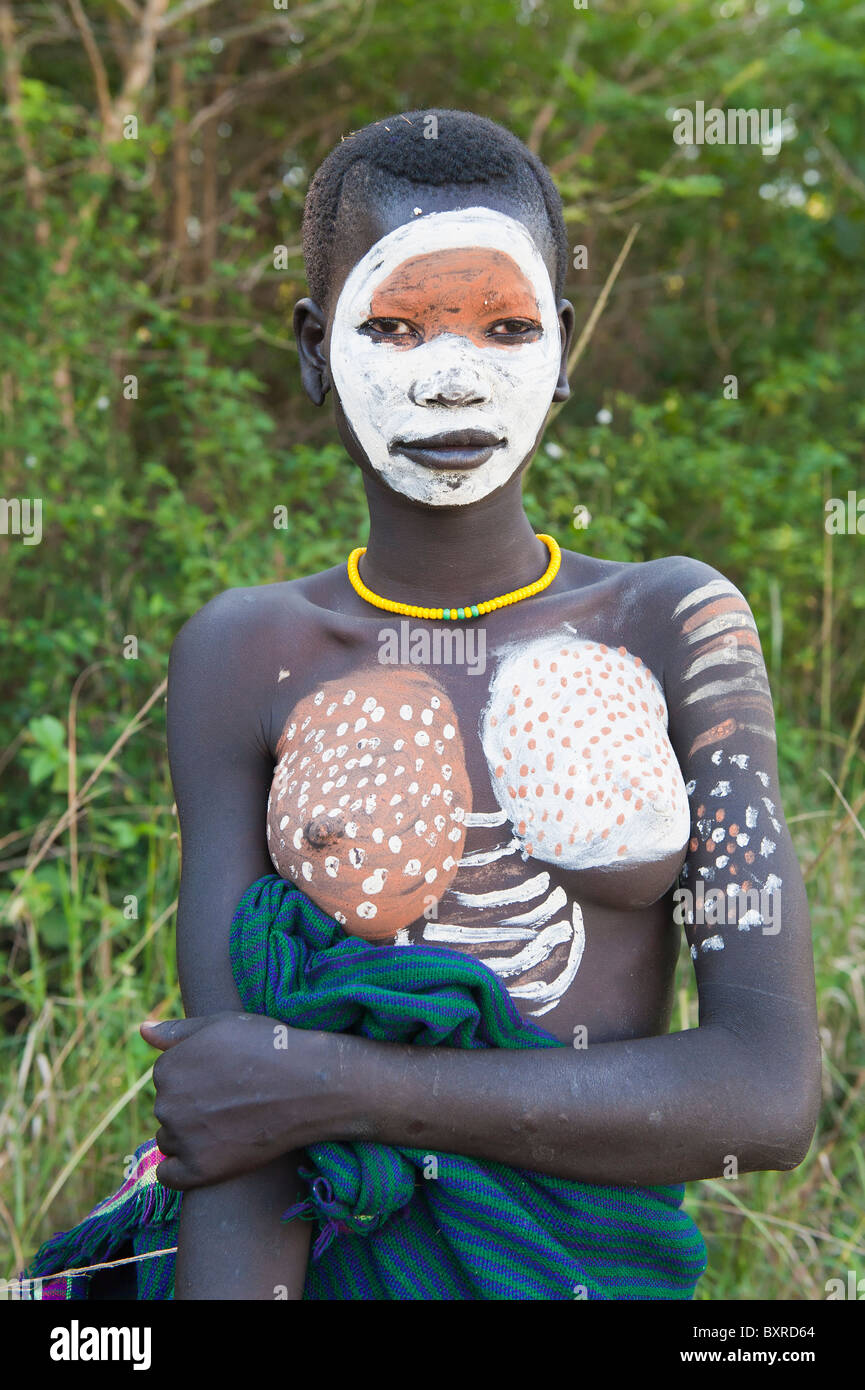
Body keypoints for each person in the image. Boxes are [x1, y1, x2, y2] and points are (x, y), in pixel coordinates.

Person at [131, 108, 820, 1300]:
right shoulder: (246, 653)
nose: (450, 374)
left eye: (505, 327)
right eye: (393, 328)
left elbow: (763, 1094)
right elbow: (239, 1120)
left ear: (563, 352)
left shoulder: (671, 624)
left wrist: (339, 1086)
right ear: (312, 347)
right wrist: (287, 1091)